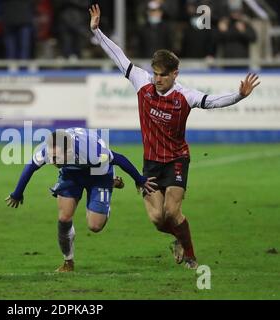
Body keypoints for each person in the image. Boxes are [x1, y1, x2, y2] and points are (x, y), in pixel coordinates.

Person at [89, 4, 260, 269]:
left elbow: (212, 101)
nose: (157, 79)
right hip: (152, 162)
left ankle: (190, 254)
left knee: (172, 211)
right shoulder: (142, 82)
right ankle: (179, 239)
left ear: (174, 75)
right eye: (155, 74)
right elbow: (119, 57)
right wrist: (97, 31)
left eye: (162, 75)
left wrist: (239, 95)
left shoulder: (185, 96)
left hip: (178, 159)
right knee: (158, 220)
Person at [5, 128, 157, 272]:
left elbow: (119, 159)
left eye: (56, 157)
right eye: (51, 157)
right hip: (72, 174)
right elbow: (30, 167)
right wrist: (17, 193)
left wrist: (140, 180)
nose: (51, 161)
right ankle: (68, 261)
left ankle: (109, 186)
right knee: (64, 218)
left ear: (69, 151)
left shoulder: (93, 152)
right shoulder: (50, 150)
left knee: (95, 226)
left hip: (99, 175)